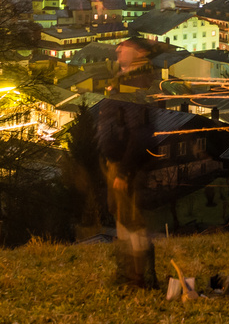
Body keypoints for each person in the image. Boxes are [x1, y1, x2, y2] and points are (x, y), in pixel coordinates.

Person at [96, 38, 162, 288]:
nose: (117, 49)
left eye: (124, 46)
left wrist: (124, 171)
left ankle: (139, 277)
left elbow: (141, 131)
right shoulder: (124, 80)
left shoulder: (138, 82)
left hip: (129, 165)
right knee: (122, 218)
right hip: (118, 161)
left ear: (140, 52)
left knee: (132, 221)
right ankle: (128, 274)